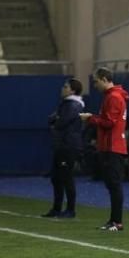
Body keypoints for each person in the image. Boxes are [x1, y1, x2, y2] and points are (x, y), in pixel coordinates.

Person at [79, 68, 129, 232]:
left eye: (95, 81)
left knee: (114, 185)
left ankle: (117, 222)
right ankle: (114, 220)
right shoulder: (113, 96)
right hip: (110, 146)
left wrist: (90, 119)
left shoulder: (114, 97)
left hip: (112, 147)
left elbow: (109, 123)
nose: (94, 85)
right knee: (111, 184)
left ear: (104, 79)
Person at [42, 78, 84, 218]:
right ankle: (57, 208)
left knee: (66, 177)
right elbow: (52, 119)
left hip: (68, 145)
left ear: (72, 90)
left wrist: (56, 122)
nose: (62, 88)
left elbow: (60, 122)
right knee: (56, 178)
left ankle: (70, 210)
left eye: (65, 87)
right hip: (61, 144)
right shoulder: (66, 104)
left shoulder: (73, 105)